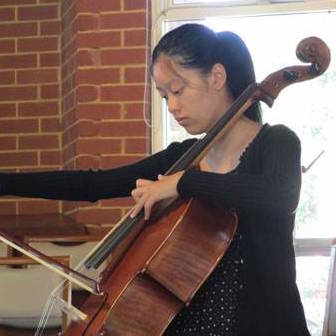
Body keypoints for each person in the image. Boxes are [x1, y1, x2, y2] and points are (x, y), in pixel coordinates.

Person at [0, 24, 310, 336]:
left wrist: (181, 183)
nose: (173, 106)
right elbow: (91, 185)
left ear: (216, 77)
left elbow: (278, 196)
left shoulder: (277, 142)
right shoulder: (182, 157)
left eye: (178, 90)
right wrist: (5, 184)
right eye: (164, 97)